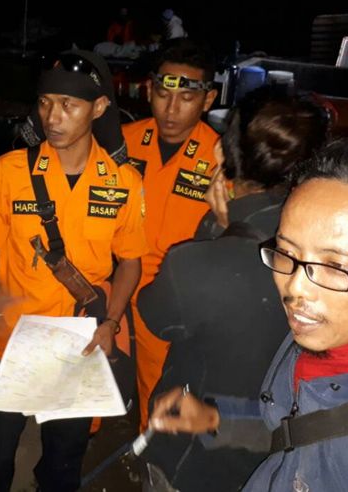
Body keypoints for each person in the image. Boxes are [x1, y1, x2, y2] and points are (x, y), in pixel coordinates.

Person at [150, 136, 348, 491]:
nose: (295, 290)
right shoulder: (327, 330)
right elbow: (296, 425)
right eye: (286, 252)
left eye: (336, 266)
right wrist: (216, 419)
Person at [0, 50, 148, 491]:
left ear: (99, 108)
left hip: (77, 341)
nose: (53, 116)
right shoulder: (10, 171)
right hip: (8, 338)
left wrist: (111, 322)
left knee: (63, 462)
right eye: (46, 102)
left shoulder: (122, 183)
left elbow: (130, 260)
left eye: (69, 105)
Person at [138, 90, 329, 491]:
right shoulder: (339, 256)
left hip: (198, 454)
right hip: (291, 455)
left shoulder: (195, 263)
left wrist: (215, 227)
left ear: (222, 160)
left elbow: (155, 316)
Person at [122, 38, 219, 428]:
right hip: (112, 280)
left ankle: (150, 453)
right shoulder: (123, 142)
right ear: (149, 90)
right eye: (162, 95)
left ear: (208, 100)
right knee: (94, 369)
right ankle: (84, 435)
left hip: (169, 294)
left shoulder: (219, 159)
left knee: (158, 386)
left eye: (187, 99)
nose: (171, 110)